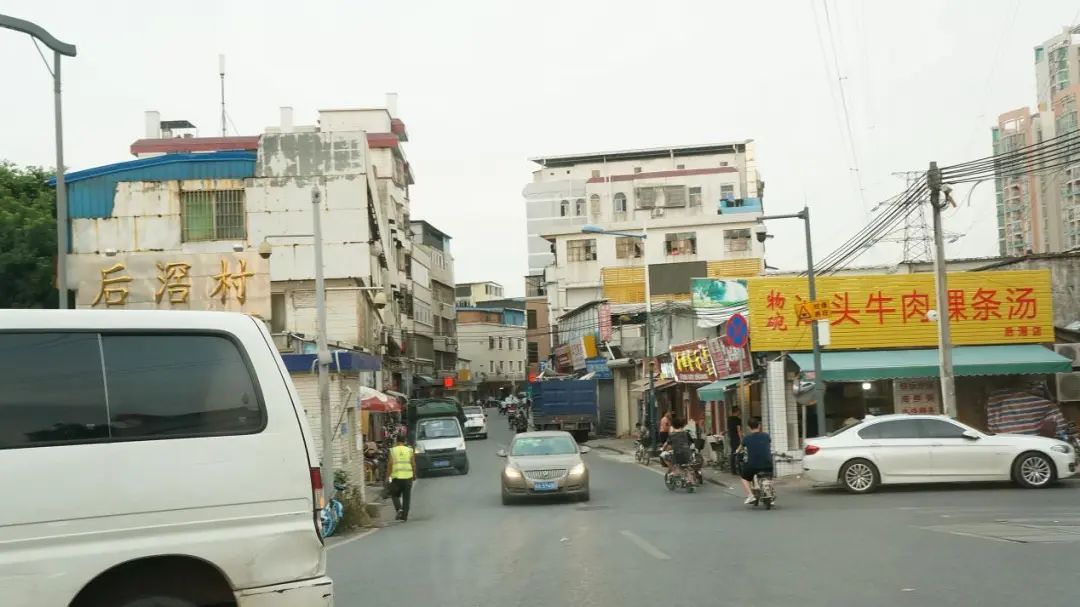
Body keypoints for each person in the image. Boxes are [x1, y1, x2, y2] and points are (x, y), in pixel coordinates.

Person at [739, 418, 773, 505]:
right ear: (759, 426)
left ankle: (750, 495)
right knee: (769, 476)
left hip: (753, 464)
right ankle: (771, 494)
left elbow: (740, 448)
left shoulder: (746, 438)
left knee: (744, 477)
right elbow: (768, 444)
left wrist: (736, 452)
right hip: (768, 463)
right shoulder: (766, 435)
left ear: (749, 428)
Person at [386, 434, 416, 521]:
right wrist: (414, 475)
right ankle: (405, 516)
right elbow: (413, 464)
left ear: (396, 441)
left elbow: (390, 464)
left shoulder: (392, 451)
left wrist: (388, 477)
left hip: (395, 478)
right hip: (408, 478)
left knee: (394, 494)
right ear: (405, 441)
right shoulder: (410, 450)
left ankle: (399, 509)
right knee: (407, 497)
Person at [727, 406, 743, 473]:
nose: (740, 412)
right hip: (737, 438)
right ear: (737, 411)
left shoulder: (729, 419)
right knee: (739, 453)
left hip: (731, 437)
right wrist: (741, 439)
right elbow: (738, 430)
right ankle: (740, 470)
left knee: (733, 453)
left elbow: (729, 429)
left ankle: (733, 470)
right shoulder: (737, 420)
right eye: (739, 411)